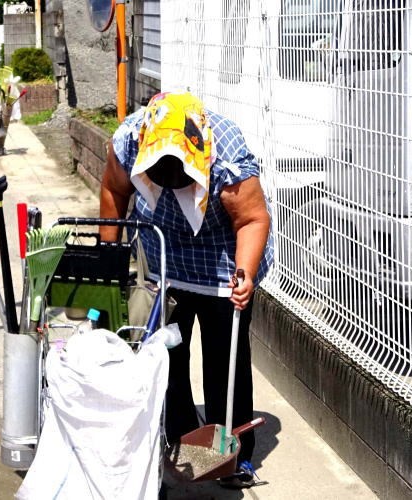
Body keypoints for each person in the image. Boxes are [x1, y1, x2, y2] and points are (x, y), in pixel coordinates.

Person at [98, 91, 274, 489]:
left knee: (223, 357)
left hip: (221, 257)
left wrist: (244, 275)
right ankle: (183, 445)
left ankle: (234, 456)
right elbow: (114, 192)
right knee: (166, 355)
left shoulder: (225, 150)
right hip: (164, 252)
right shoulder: (129, 141)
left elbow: (250, 219)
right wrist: (109, 257)